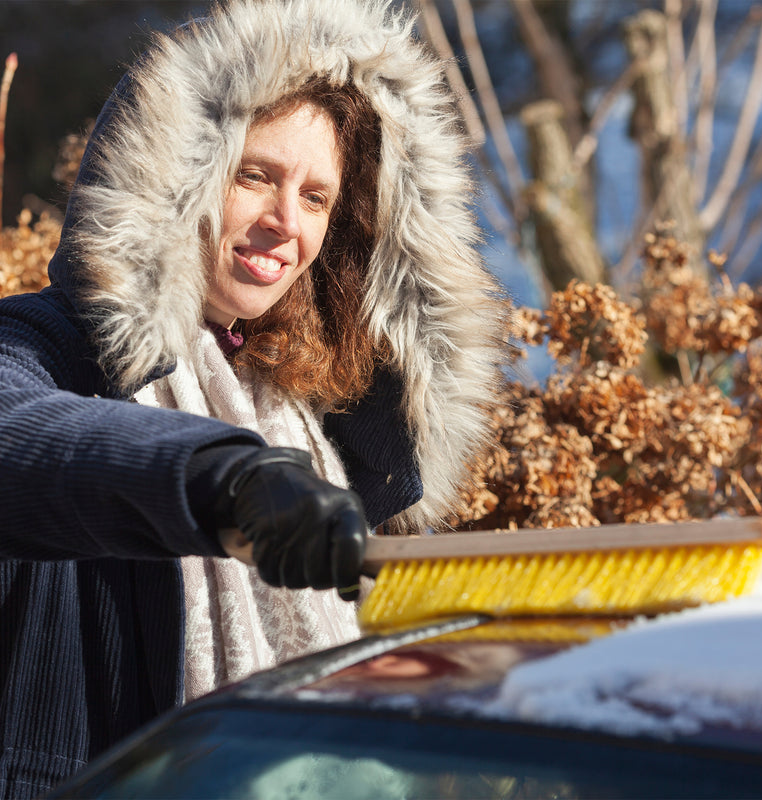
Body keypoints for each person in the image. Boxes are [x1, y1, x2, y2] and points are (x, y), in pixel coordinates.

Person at [0, 0, 506, 795]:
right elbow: (18, 437)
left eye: (315, 198)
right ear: (175, 179)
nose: (283, 223)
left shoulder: (323, 420)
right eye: (254, 176)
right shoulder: (42, 344)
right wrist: (228, 483)